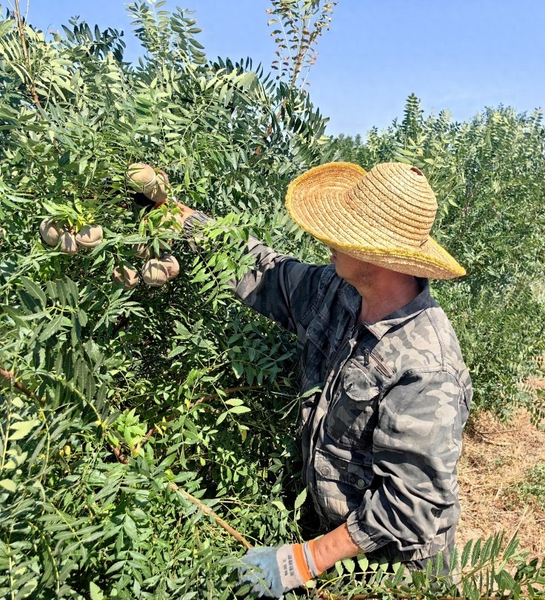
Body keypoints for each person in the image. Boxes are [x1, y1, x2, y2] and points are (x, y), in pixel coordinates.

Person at [132, 162, 472, 597]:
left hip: (396, 574)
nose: (327, 240)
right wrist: (176, 216)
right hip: (335, 538)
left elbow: (413, 505)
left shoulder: (428, 368)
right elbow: (264, 270)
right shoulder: (337, 292)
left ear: (376, 253)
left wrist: (305, 560)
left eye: (341, 231)